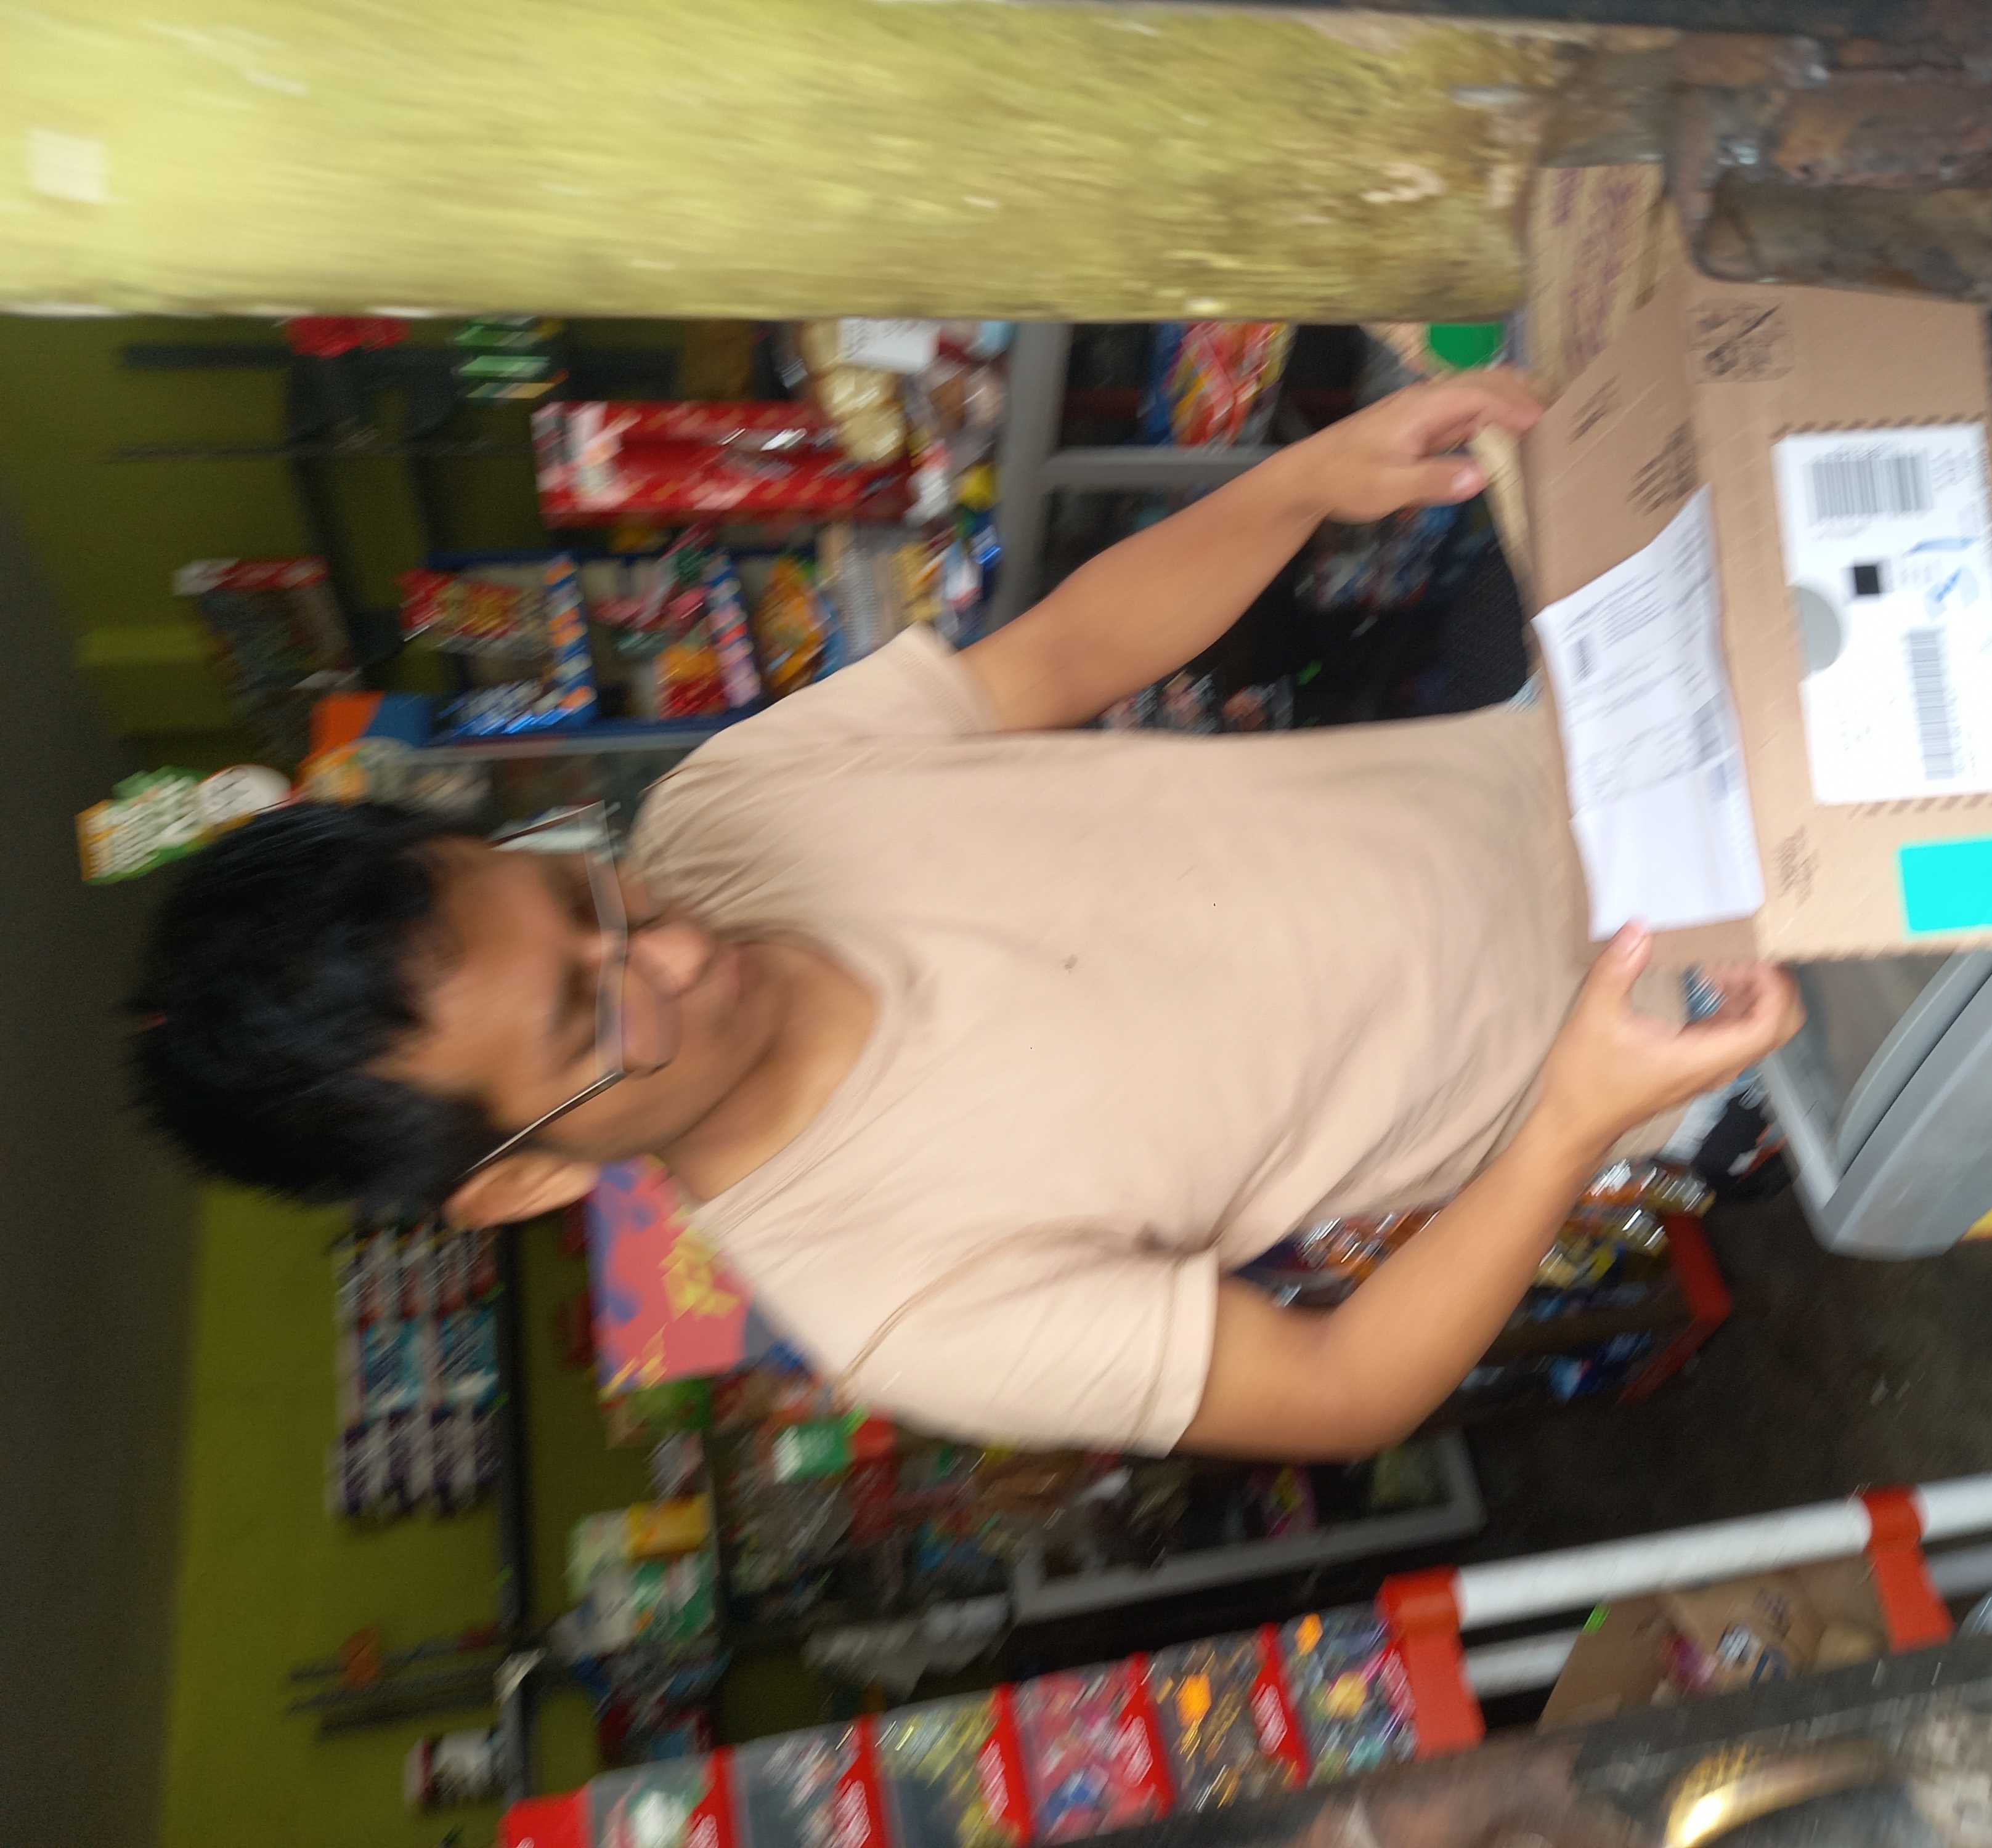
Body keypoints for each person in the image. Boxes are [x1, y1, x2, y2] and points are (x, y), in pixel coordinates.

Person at [130, 371, 1802, 1459]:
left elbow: (1061, 654)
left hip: (1595, 750)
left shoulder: (721, 812)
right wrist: (1578, 1113)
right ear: (522, 1178)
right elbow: (1342, 1390)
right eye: (599, 1014)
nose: (680, 943)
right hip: (1682, 1029)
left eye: (584, 892)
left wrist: (1300, 481)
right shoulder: (902, 1306)